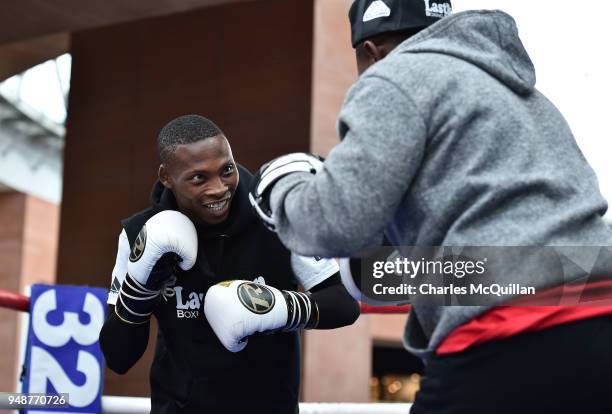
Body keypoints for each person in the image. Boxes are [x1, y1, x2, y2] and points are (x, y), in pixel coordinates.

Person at [249, 1, 612, 412]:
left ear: (370, 51)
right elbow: (515, 255)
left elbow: (335, 224)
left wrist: (284, 185)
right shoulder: (525, 96)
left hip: (508, 335)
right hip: (599, 314)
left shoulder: (395, 75)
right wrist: (374, 271)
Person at [99, 114, 360, 414]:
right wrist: (139, 291)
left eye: (226, 170)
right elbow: (118, 358)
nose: (219, 188)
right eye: (199, 178)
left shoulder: (275, 214)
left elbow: (344, 303)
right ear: (167, 177)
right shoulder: (140, 234)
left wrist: (281, 308)